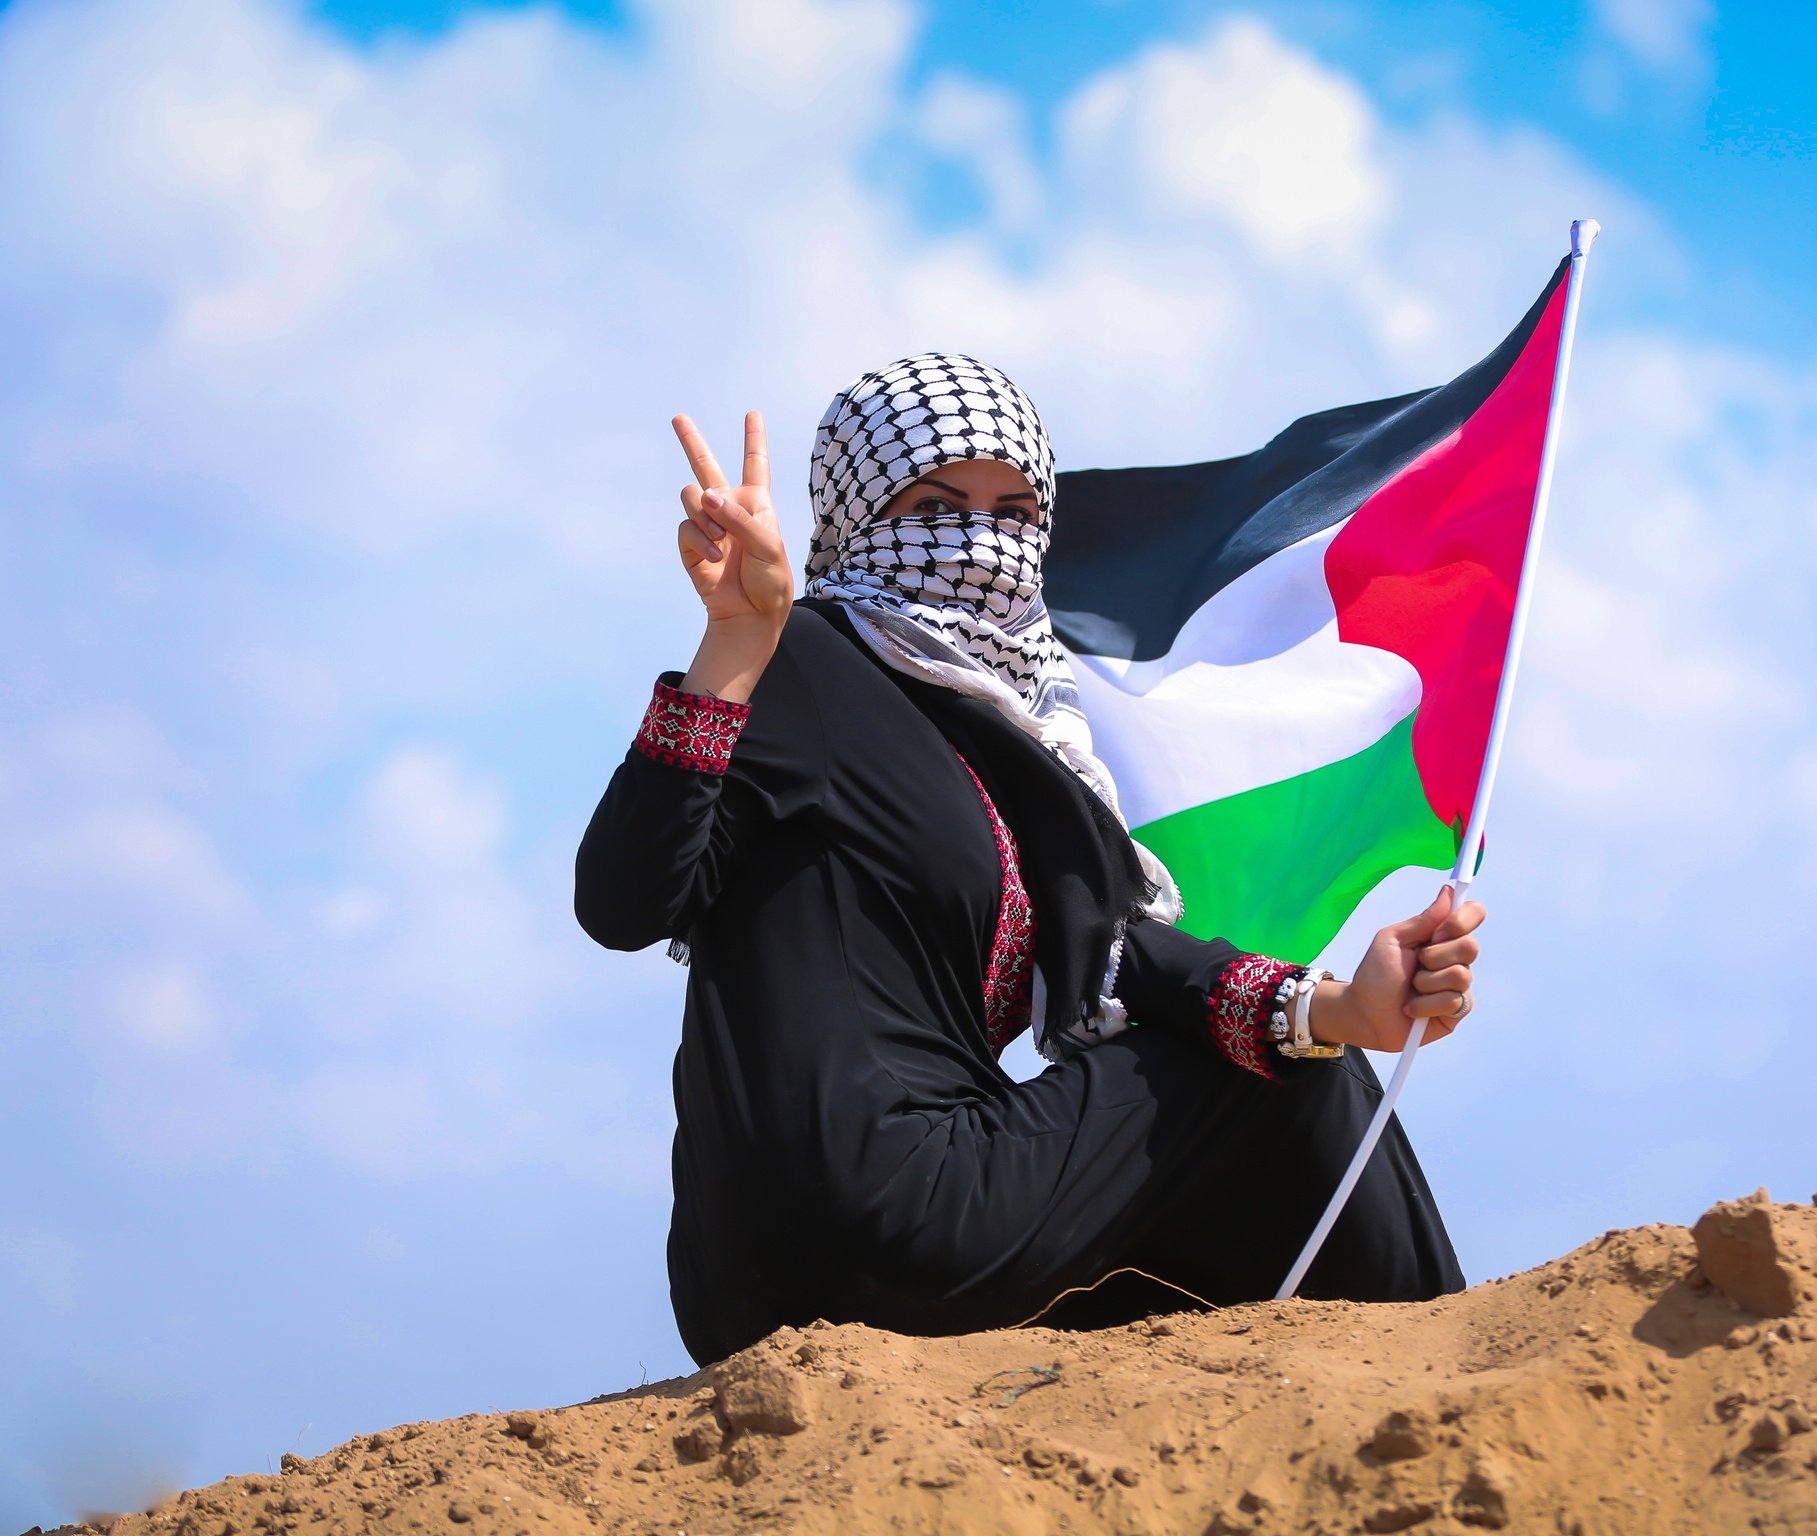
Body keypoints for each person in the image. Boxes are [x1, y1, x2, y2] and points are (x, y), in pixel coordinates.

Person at [575, 354, 1481, 1365]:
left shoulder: (1013, 743)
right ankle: (1454, 1373)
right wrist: (735, 647)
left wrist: (1344, 1008)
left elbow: (1116, 950)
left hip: (813, 1273)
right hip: (877, 1209)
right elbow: (622, 902)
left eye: (1013, 511)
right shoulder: (807, 661)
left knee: (1279, 1083)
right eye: (937, 501)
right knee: (1286, 1081)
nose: (978, 540)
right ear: (857, 509)